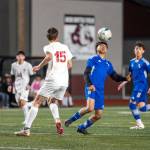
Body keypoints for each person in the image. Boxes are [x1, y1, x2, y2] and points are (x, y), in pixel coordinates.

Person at [15, 27, 73, 136]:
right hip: (64, 81)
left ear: (47, 37)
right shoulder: (65, 47)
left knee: (37, 102)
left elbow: (49, 56)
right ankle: (57, 120)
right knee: (52, 101)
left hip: (53, 79)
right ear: (57, 36)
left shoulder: (48, 47)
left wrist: (39, 66)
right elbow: (70, 65)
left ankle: (26, 129)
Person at [65, 41, 129, 134]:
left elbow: (115, 77)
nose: (103, 47)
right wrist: (89, 84)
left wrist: (125, 78)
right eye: (100, 45)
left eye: (105, 46)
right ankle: (70, 120)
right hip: (91, 87)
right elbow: (86, 73)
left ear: (107, 50)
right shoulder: (93, 59)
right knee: (90, 108)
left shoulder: (108, 64)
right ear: (97, 49)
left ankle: (82, 127)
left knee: (98, 115)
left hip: (100, 90)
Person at [118, 41, 150, 129]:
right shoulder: (131, 62)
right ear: (134, 50)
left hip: (141, 86)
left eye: (140, 49)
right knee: (142, 108)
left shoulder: (145, 63)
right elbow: (130, 75)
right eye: (136, 48)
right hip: (137, 86)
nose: (138, 50)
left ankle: (140, 124)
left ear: (143, 51)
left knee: (132, 104)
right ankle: (139, 124)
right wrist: (123, 82)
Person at [10, 51, 34, 124]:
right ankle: (34, 103)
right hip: (17, 86)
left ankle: (27, 120)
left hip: (25, 85)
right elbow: (12, 76)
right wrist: (11, 85)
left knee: (23, 102)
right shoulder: (13, 65)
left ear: (24, 57)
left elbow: (32, 75)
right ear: (16, 57)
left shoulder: (28, 65)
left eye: (21, 56)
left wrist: (29, 84)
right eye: (18, 56)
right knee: (20, 104)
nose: (20, 57)